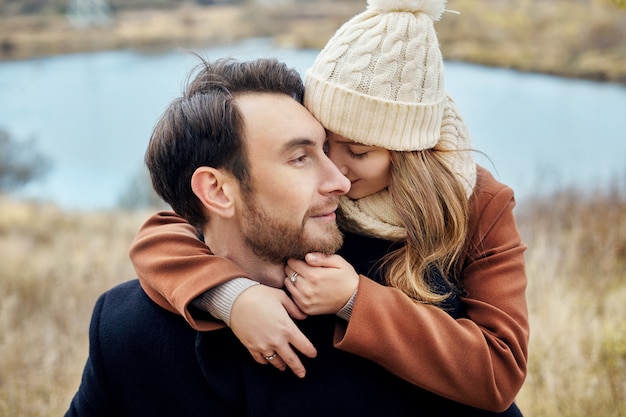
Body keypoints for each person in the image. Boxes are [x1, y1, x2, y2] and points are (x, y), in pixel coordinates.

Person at [65, 56, 522, 417]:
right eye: (301, 158)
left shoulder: (407, 299)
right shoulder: (123, 331)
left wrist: (355, 302)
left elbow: (494, 376)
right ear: (217, 191)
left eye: (331, 150)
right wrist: (231, 295)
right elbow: (161, 232)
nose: (341, 181)